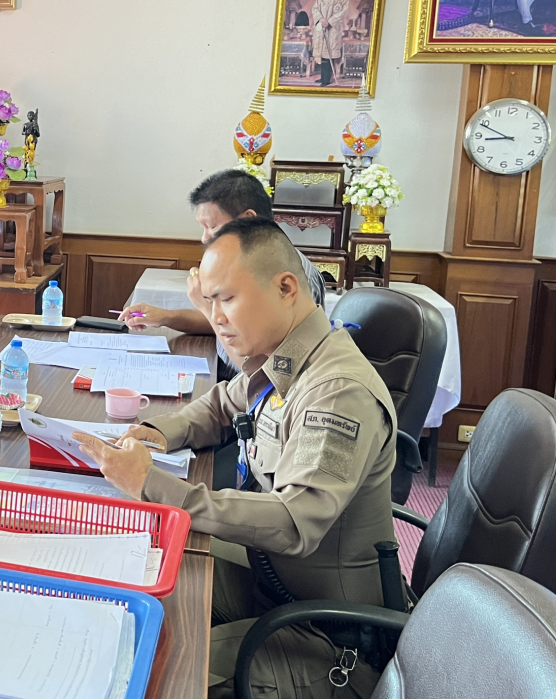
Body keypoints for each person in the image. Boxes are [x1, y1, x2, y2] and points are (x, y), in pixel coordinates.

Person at [77, 218, 396, 699]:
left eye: (226, 299)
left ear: (286, 287)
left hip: (326, 637)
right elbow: (224, 403)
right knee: (143, 558)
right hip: (273, 582)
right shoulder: (288, 356)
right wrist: (158, 432)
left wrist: (154, 484)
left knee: (147, 669)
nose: (216, 317)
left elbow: (294, 522)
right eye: (209, 301)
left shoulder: (337, 391)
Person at [120, 169, 327, 380]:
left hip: (248, 393)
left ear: (247, 219)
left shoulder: (294, 275)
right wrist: (167, 317)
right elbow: (230, 323)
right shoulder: (242, 264)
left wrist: (205, 304)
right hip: (224, 382)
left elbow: (272, 377)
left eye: (212, 227)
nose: (204, 238)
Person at [311, 0, 349, 86]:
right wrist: (321, 19)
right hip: (322, 26)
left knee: (329, 53)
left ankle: (327, 79)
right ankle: (323, 77)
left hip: (333, 29)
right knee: (322, 53)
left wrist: (330, 21)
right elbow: (315, 8)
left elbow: (344, 11)